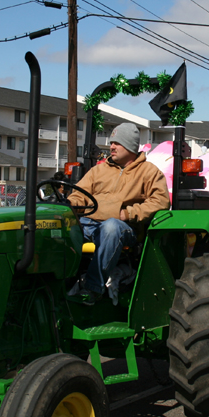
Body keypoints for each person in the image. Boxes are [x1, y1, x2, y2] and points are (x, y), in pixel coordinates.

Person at [67, 123, 170, 305]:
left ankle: (92, 288)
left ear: (130, 146)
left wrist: (129, 213)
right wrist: (70, 203)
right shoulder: (98, 170)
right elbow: (79, 194)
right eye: (111, 142)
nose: (111, 147)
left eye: (117, 143)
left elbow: (160, 202)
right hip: (89, 223)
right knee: (59, 228)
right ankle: (63, 284)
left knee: (111, 227)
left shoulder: (148, 172)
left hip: (123, 228)